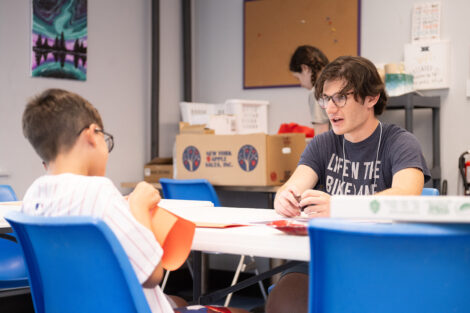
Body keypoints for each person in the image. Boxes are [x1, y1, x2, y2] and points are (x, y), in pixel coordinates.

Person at [21, 88, 248, 313]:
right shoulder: (99, 191)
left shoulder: (32, 199)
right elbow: (152, 275)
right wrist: (138, 206)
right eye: (105, 139)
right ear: (91, 135)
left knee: (177, 301)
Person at [266, 56, 431, 313]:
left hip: (379, 257)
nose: (330, 109)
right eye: (326, 99)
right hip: (323, 255)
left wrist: (341, 207)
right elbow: (295, 184)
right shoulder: (323, 144)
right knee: (284, 302)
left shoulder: (400, 143)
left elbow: (405, 196)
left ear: (371, 98)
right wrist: (284, 196)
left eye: (341, 98)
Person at [289, 45, 330, 136]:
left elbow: (322, 137)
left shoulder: (317, 92)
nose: (301, 84)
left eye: (298, 78)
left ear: (305, 68)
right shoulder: (341, 86)